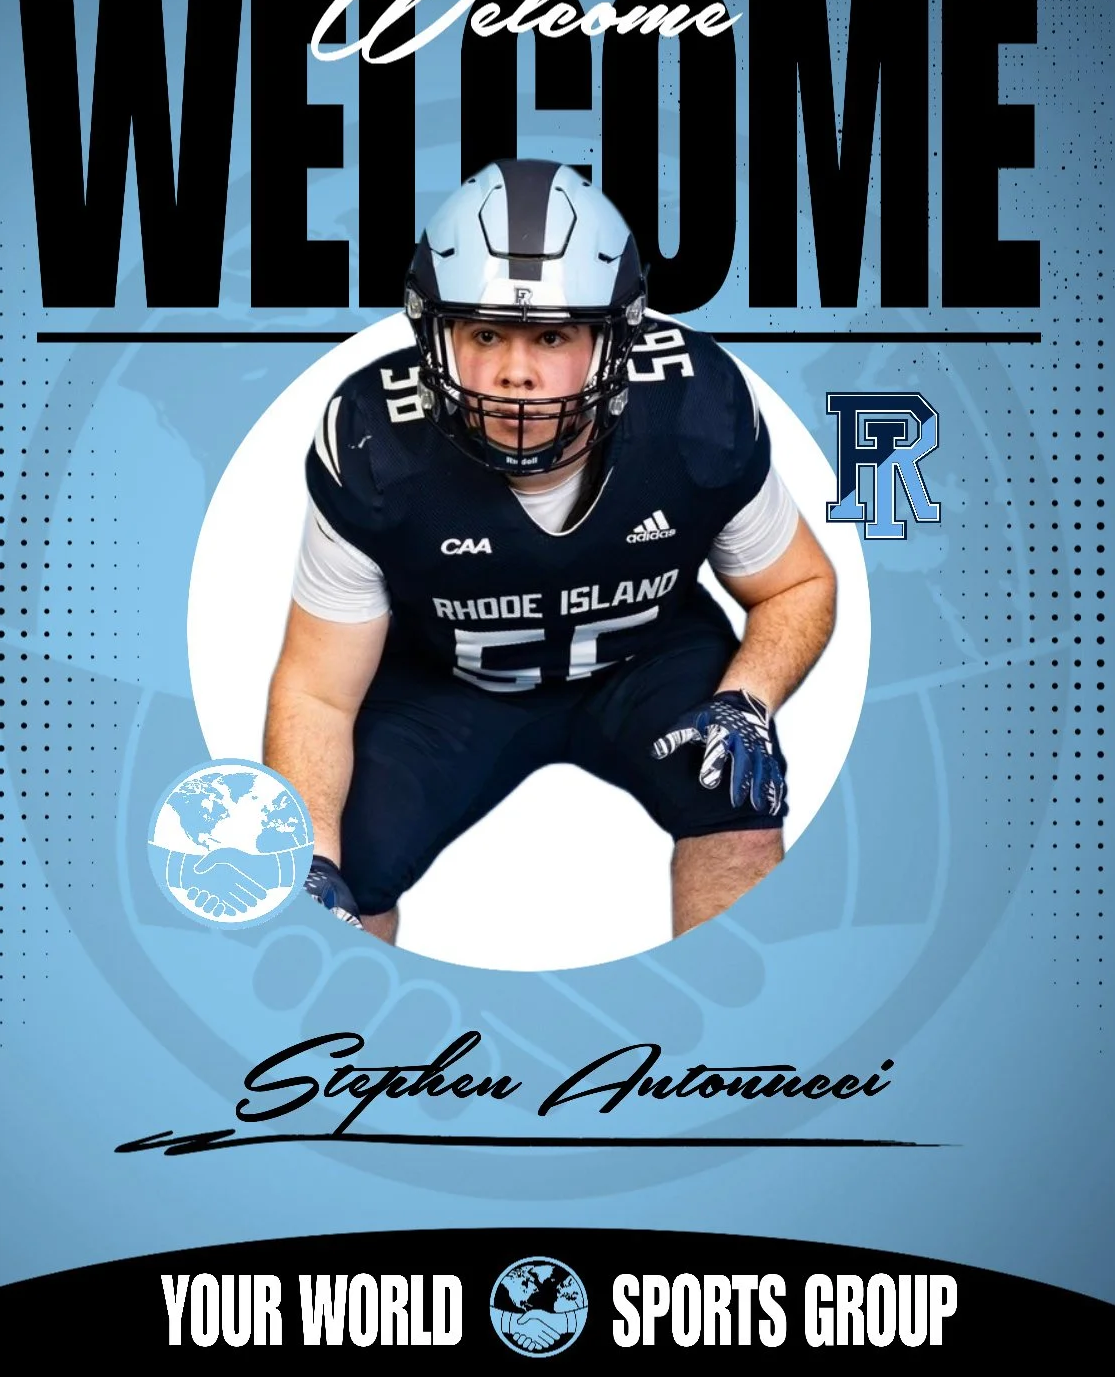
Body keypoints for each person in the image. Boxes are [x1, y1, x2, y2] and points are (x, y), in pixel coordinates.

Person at [263, 158, 836, 946]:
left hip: (645, 661)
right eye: (487, 332)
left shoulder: (694, 408)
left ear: (614, 341)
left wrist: (748, 698)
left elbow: (798, 583)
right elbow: (317, 690)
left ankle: (736, 1050)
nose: (516, 372)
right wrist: (314, 860)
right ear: (436, 335)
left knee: (734, 792)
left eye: (553, 335)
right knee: (337, 877)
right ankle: (348, 1060)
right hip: (453, 680)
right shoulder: (373, 442)